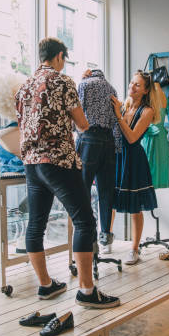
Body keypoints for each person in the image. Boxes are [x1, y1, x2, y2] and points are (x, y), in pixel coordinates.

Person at [15, 37, 120, 308]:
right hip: (59, 160)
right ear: (60, 56)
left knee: (36, 223)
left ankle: (46, 285)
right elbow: (83, 124)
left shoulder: (24, 86)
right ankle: (87, 291)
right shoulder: (63, 82)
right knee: (85, 221)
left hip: (31, 162)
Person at [110, 71, 158, 265]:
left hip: (134, 159)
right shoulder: (123, 107)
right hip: (117, 157)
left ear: (146, 90)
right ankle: (106, 238)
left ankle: (135, 249)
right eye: (131, 83)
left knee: (135, 207)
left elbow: (132, 137)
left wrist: (117, 116)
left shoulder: (148, 112)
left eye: (137, 85)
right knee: (109, 199)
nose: (132, 86)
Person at [77, 69, 120, 254]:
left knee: (83, 189)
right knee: (106, 191)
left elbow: (76, 114)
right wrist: (116, 148)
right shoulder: (112, 90)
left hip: (89, 138)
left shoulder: (84, 85)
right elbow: (117, 122)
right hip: (109, 141)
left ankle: (88, 236)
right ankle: (106, 237)